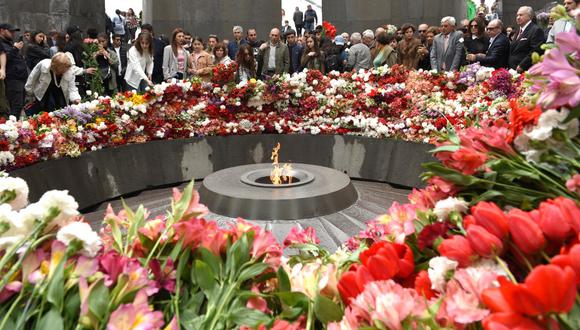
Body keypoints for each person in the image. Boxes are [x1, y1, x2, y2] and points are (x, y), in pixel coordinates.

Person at [0, 23, 28, 118]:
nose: (13, 34)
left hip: (19, 79)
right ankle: (10, 129)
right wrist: (15, 49)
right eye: (10, 31)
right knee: (15, 106)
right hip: (12, 79)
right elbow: (4, 59)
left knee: (18, 106)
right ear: (2, 30)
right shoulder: (2, 44)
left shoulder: (9, 43)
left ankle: (13, 128)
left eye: (13, 32)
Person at [509, 6, 546, 73]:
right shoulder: (518, 30)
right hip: (513, 70)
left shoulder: (536, 30)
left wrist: (522, 65)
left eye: (521, 15)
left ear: (529, 16)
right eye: (517, 15)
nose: (518, 17)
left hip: (525, 70)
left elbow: (536, 51)